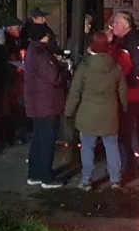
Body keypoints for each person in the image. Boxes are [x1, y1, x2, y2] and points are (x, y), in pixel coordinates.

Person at [65, 31, 128, 190]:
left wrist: (69, 111)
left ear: (91, 47)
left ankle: (87, 179)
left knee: (87, 147)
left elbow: (75, 92)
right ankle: (115, 179)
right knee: (112, 146)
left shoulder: (84, 67)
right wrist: (124, 108)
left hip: (88, 115)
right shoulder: (116, 67)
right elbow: (122, 91)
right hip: (109, 115)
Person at [23, 26, 67, 188]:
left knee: (38, 139)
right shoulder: (42, 54)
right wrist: (65, 72)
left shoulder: (32, 51)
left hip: (37, 103)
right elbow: (54, 77)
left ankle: (34, 173)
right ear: (43, 37)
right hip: (47, 104)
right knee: (47, 141)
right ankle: (47, 177)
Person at [108, 9, 139, 175]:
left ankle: (133, 163)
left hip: (132, 94)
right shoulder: (123, 40)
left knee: (129, 128)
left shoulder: (133, 42)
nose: (112, 26)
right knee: (129, 129)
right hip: (129, 92)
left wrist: (128, 83)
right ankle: (133, 162)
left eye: (115, 23)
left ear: (125, 25)